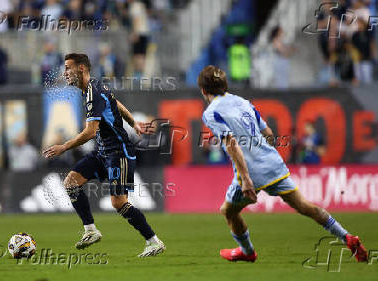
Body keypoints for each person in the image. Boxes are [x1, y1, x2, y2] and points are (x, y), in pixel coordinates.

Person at [198, 65, 368, 263]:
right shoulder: (243, 102)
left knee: (228, 211)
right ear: (224, 85)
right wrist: (265, 155)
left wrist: (246, 179)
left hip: (250, 171)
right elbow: (268, 133)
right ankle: (347, 237)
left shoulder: (211, 113)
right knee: (305, 206)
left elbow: (232, 144)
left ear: (203, 90)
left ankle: (247, 251)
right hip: (273, 163)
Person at [43, 53, 165, 257]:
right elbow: (116, 104)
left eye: (67, 68)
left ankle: (153, 241)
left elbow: (90, 131)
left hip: (119, 153)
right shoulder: (93, 88)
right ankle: (90, 230)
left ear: (81, 68)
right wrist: (134, 122)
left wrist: (64, 147)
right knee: (71, 182)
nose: (65, 73)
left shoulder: (93, 91)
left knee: (118, 202)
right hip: (103, 152)